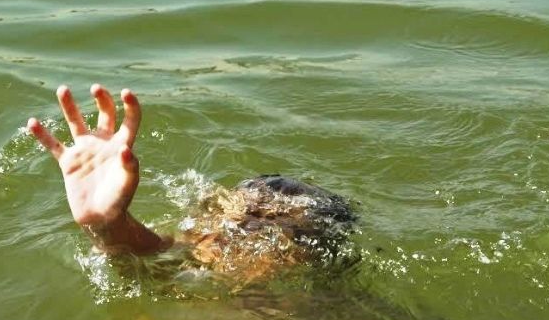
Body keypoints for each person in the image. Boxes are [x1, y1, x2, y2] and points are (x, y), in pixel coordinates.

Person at [27, 84, 357, 283]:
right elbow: (152, 265)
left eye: (260, 230)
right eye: (224, 221)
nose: (230, 236)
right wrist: (107, 225)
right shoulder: (194, 271)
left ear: (303, 259)